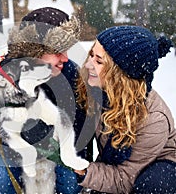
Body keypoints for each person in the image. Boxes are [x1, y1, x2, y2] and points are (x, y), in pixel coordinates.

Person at [0, 7, 90, 193]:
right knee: (0, 178)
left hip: (57, 146)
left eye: (67, 50)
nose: (65, 58)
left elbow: (82, 123)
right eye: (58, 51)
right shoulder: (1, 76)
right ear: (35, 51)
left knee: (70, 185)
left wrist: (69, 155)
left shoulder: (71, 74)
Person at [74, 25, 176, 193]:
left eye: (99, 61)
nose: (88, 65)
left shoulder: (153, 118)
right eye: (91, 55)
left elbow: (124, 179)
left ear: (120, 74)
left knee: (152, 186)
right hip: (119, 164)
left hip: (158, 168)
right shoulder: (97, 89)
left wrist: (86, 172)